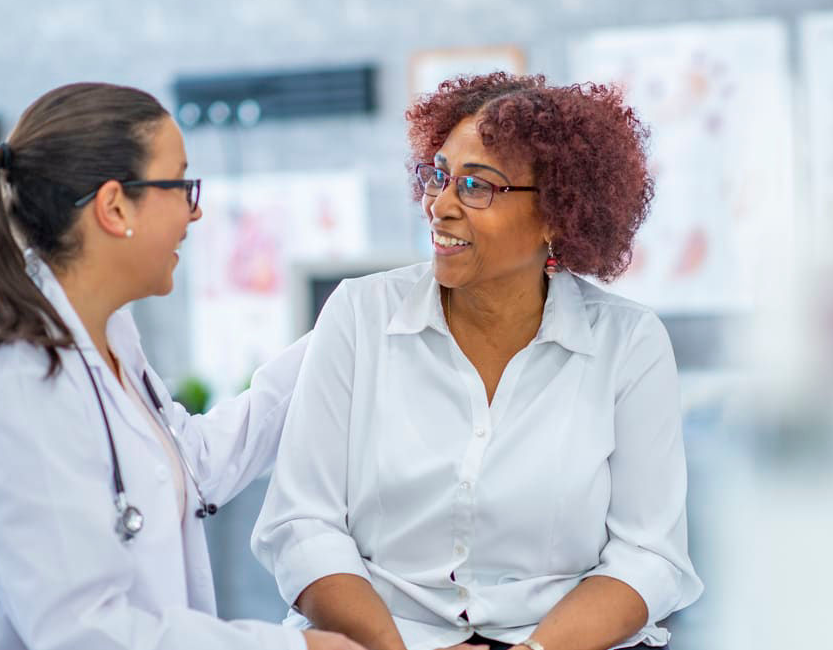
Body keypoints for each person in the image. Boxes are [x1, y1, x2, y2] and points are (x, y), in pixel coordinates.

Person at [0, 82, 361, 650]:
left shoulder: (105, 336)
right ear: (113, 206)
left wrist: (342, 332)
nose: (195, 209)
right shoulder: (8, 377)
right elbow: (83, 632)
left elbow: (192, 463)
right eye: (181, 184)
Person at [252, 73, 702, 650]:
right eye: (438, 176)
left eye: (476, 187)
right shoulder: (359, 316)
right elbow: (302, 525)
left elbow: (648, 554)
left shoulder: (628, 343)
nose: (439, 206)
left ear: (558, 215)